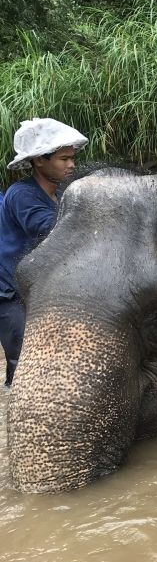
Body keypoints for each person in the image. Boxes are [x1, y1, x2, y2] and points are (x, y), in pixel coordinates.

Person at [0, 118, 88, 385]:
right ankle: (14, 414)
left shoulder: (59, 195)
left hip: (38, 290)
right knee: (25, 359)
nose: (71, 165)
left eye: (72, 158)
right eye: (63, 159)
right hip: (10, 292)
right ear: (39, 160)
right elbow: (51, 232)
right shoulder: (22, 194)